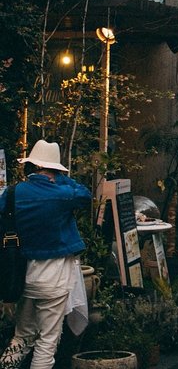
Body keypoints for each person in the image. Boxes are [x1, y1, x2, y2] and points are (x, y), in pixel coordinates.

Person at [0, 140, 91, 369]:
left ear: (32, 165)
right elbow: (85, 194)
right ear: (55, 169)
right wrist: (61, 176)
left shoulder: (12, 193)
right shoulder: (63, 194)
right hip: (54, 277)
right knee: (47, 341)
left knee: (22, 336)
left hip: (21, 274)